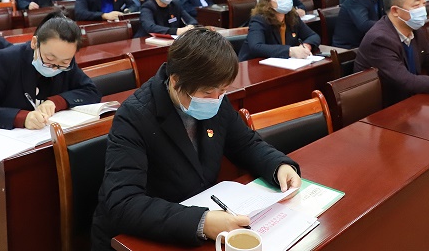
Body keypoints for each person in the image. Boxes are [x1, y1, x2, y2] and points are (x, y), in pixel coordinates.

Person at [91, 28, 301, 248]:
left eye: (223, 91)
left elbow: (245, 144)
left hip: (197, 217)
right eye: (207, 93)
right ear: (175, 81)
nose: (216, 99)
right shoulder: (134, 117)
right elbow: (123, 203)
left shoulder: (215, 98)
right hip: (135, 239)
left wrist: (278, 166)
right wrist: (202, 222)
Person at [0, 12, 102, 212]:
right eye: (49, 59)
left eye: (64, 63)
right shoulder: (5, 60)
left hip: (43, 152)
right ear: (35, 43)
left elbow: (91, 91)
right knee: (6, 209)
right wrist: (22, 117)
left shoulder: (65, 62)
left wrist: (57, 101)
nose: (55, 67)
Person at [238, 0, 320, 61]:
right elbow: (256, 46)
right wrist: (290, 51)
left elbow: (313, 36)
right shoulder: (259, 19)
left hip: (283, 63)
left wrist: (306, 46)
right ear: (268, 1)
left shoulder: (292, 16)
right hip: (254, 64)